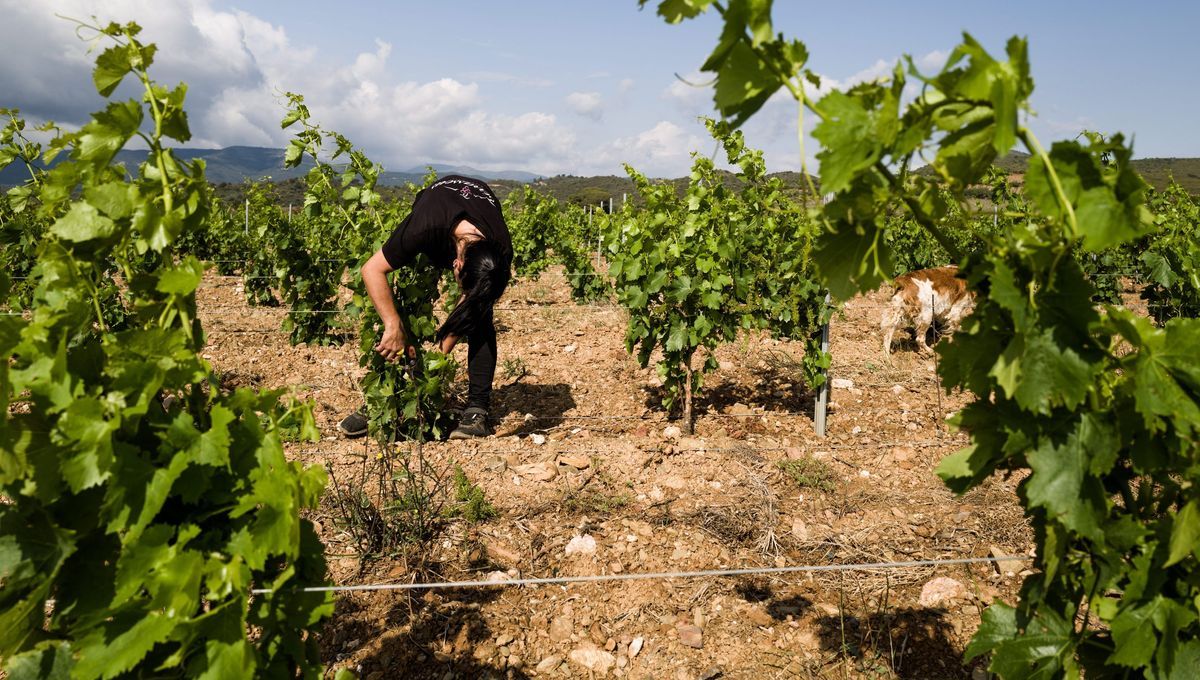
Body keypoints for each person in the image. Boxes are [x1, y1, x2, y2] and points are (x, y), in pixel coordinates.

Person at [338, 175, 513, 440]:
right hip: (437, 208)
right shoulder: (424, 227)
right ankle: (386, 397)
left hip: (479, 214)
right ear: (457, 264)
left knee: (480, 315)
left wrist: (438, 357)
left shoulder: (499, 250)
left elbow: (472, 300)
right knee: (401, 303)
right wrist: (393, 325)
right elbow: (371, 269)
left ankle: (478, 409)